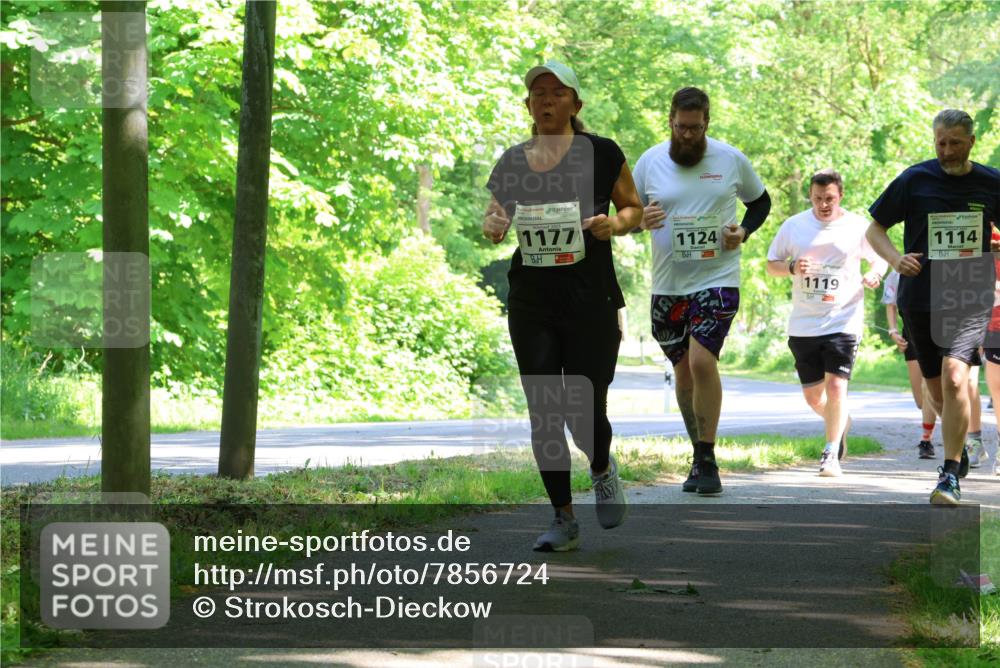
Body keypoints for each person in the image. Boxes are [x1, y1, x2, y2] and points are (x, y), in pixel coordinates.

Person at [483, 60, 643, 550]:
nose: (547, 100)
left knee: (582, 407)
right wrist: (494, 223)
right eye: (538, 93)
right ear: (527, 105)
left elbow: (632, 208)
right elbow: (497, 211)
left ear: (576, 103)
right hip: (533, 299)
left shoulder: (601, 153)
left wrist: (612, 226)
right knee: (544, 409)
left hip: (590, 297)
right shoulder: (513, 160)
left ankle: (600, 465)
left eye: (557, 92)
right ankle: (563, 517)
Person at [632, 87, 771, 495]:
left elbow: (760, 203)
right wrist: (643, 217)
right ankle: (697, 453)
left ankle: (708, 460)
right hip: (669, 283)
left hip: (718, 277)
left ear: (707, 122)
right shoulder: (650, 162)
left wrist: (743, 230)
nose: (687, 135)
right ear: (670, 121)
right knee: (682, 369)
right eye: (680, 127)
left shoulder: (729, 159)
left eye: (695, 128)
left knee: (701, 362)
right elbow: (627, 211)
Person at [866, 109, 1000, 505]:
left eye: (954, 142)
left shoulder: (992, 182)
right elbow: (874, 228)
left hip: (969, 295)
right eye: (940, 142)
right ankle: (955, 453)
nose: (946, 150)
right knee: (937, 391)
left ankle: (949, 473)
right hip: (920, 297)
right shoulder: (914, 179)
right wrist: (895, 259)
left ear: (971, 141)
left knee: (957, 378)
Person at [766, 169, 887, 476]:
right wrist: (792, 266)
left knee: (836, 387)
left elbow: (879, 256)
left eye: (829, 198)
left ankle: (830, 453)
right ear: (810, 196)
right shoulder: (794, 226)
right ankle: (840, 420)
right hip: (804, 323)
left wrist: (875, 273)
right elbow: (771, 265)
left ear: (840, 196)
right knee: (813, 397)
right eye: (818, 198)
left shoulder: (858, 226)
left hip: (844, 319)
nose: (823, 204)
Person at [884, 269, 985, 463]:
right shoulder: (904, 267)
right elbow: (891, 303)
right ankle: (956, 442)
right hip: (915, 327)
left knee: (959, 383)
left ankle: (954, 448)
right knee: (925, 397)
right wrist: (892, 330)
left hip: (959, 321)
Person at [882, 269, 938, 459]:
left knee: (928, 387)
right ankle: (936, 420)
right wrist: (893, 331)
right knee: (921, 400)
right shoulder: (899, 271)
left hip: (940, 330)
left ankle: (926, 440)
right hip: (912, 334)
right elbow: (890, 304)